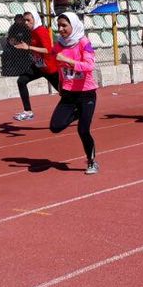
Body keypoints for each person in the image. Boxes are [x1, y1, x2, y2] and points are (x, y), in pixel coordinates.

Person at [49, 12, 99, 174]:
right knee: (55, 127)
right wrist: (61, 83)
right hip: (69, 94)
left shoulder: (84, 43)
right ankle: (78, 113)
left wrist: (68, 61)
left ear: (73, 25)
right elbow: (57, 64)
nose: (61, 29)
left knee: (83, 130)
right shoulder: (59, 45)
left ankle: (91, 162)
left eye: (64, 25)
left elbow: (89, 66)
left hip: (86, 93)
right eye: (59, 26)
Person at [8, 7, 60, 121]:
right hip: (39, 66)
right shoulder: (31, 32)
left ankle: (80, 107)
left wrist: (29, 47)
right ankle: (28, 112)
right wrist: (18, 44)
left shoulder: (41, 31)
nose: (26, 23)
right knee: (21, 81)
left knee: (64, 93)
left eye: (28, 20)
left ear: (35, 19)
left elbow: (49, 50)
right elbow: (33, 47)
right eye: (24, 20)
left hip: (50, 68)